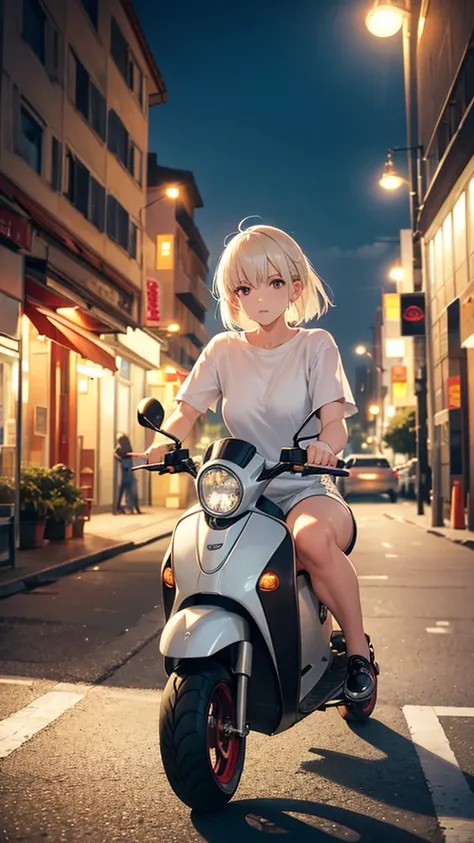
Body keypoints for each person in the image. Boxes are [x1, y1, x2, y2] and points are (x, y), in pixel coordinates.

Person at [146, 221, 376, 701]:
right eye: (246, 287)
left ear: (294, 287)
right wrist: (163, 441)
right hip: (243, 492)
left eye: (274, 283)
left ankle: (357, 654)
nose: (261, 297)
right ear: (235, 297)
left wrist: (325, 448)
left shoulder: (316, 346)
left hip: (307, 486)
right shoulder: (223, 350)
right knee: (192, 545)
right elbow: (186, 410)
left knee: (309, 538)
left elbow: (334, 421)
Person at [114, 433, 142, 515]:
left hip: (124, 474)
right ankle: (136, 508)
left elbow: (115, 454)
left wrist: (119, 459)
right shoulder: (129, 449)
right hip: (130, 473)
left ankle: (118, 508)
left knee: (122, 491)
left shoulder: (120, 450)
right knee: (132, 492)